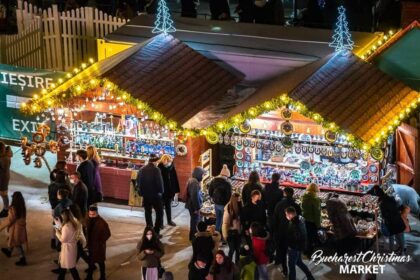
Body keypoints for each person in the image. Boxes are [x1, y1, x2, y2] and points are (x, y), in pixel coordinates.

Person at [272, 187, 301, 276]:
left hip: (282, 232)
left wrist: (275, 232)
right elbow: (300, 220)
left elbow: (275, 220)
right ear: (292, 194)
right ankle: (293, 273)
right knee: (294, 254)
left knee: (283, 252)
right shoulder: (296, 205)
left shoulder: (279, 204)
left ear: (284, 193)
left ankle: (285, 270)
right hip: (293, 234)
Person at [137, 154, 164, 235]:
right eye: (157, 161)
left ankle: (150, 230)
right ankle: (156, 231)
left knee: (148, 212)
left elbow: (138, 181)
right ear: (155, 161)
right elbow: (159, 183)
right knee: (160, 213)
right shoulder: (156, 170)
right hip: (155, 195)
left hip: (146, 195)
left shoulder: (142, 169)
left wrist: (141, 192)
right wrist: (161, 192)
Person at [285, 207, 315, 280]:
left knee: (291, 266)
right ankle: (310, 277)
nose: (285, 216)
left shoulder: (293, 224)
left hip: (294, 248)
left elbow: (294, 238)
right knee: (299, 262)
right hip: (299, 247)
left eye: (286, 214)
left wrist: (289, 247)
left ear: (290, 215)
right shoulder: (300, 218)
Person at [0, 191, 28, 266]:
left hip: (16, 228)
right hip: (20, 227)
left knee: (16, 243)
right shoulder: (22, 207)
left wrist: (1, 227)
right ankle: (9, 251)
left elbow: (10, 220)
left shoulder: (13, 208)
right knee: (13, 240)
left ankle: (23, 259)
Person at [54, 209, 82, 280]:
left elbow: (63, 239)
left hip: (67, 250)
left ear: (65, 216)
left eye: (62, 216)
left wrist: (57, 232)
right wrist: (60, 226)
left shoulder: (66, 226)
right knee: (66, 266)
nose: (62, 217)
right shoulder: (74, 223)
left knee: (70, 267)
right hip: (72, 247)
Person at [86, 205, 111, 280]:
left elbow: (108, 234)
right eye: (90, 214)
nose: (91, 216)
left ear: (97, 213)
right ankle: (89, 277)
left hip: (99, 246)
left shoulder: (102, 223)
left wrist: (100, 242)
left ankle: (102, 277)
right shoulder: (89, 219)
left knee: (100, 262)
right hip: (91, 245)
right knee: (91, 262)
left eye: (93, 214)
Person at [377, 188, 405, 254]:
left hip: (390, 223)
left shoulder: (382, 204)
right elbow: (399, 207)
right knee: (400, 237)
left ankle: (392, 252)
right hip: (397, 220)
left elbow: (383, 215)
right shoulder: (392, 198)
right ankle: (402, 251)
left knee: (391, 237)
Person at [49, 170, 72, 249]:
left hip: (53, 207)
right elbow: (70, 197)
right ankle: (59, 242)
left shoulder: (51, 186)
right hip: (63, 208)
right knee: (63, 225)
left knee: (55, 224)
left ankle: (52, 240)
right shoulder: (66, 186)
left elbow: (50, 198)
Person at [208, 164, 232, 235]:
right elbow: (229, 196)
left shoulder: (214, 181)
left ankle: (216, 233)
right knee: (224, 221)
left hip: (216, 204)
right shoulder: (227, 183)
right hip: (224, 205)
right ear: (227, 176)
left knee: (218, 219)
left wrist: (213, 198)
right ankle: (222, 236)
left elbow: (210, 192)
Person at [158, 154, 180, 227]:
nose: (169, 162)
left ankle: (169, 220)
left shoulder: (171, 168)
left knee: (168, 207)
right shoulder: (159, 168)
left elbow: (175, 179)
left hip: (169, 191)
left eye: (170, 161)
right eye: (167, 161)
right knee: (160, 209)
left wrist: (176, 190)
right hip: (161, 191)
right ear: (164, 160)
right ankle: (160, 223)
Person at [185, 167, 206, 241]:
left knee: (194, 221)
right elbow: (194, 196)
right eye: (202, 174)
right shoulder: (195, 183)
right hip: (193, 206)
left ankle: (192, 237)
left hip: (191, 205)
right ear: (199, 174)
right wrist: (197, 208)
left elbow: (195, 194)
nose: (203, 176)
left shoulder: (193, 180)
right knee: (195, 222)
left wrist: (201, 193)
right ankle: (194, 238)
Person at [301, 183, 321, 255]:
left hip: (304, 219)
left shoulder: (304, 197)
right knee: (311, 238)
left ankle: (305, 250)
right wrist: (318, 224)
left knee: (306, 236)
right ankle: (309, 252)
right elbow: (317, 213)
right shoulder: (315, 199)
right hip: (312, 221)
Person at [222, 192, 241, 263]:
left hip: (238, 232)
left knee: (238, 249)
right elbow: (225, 223)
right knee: (232, 249)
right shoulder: (228, 209)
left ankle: (237, 264)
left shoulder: (240, 206)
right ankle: (229, 263)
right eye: (238, 200)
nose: (239, 201)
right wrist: (225, 235)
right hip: (231, 233)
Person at [0, 141, 12, 218]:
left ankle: (6, 210)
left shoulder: (3, 158)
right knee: (3, 194)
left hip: (2, 179)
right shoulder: (6, 155)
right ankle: (6, 209)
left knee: (4, 194)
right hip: (4, 177)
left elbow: (2, 168)